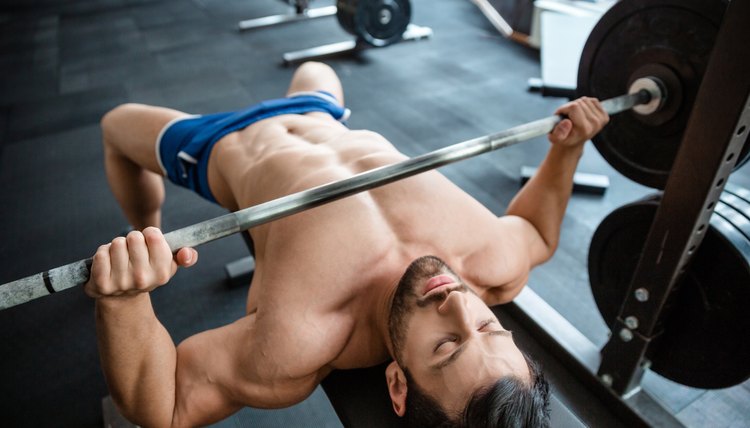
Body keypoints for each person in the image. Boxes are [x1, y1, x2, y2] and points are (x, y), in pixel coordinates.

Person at [85, 61, 608, 427]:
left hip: (220, 143)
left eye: (446, 346)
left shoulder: (304, 337)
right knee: (316, 65)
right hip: (319, 114)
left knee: (113, 125)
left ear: (398, 385)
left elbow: (166, 406)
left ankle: (144, 225)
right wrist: (568, 151)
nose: (456, 303)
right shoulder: (493, 261)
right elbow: (538, 233)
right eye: (491, 327)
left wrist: (126, 297)